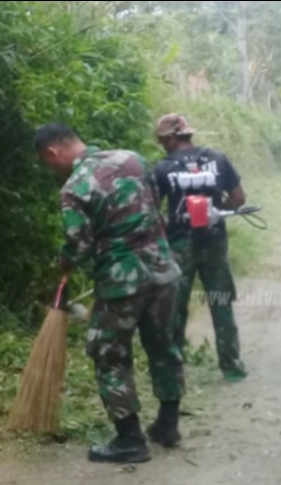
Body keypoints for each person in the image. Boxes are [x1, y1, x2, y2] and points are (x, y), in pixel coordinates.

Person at [34, 123, 186, 463]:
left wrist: (65, 264)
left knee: (109, 354)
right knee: (164, 346)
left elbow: (79, 243)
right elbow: (154, 206)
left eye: (48, 163)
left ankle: (130, 439)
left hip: (122, 282)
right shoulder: (133, 159)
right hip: (164, 272)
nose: (51, 169)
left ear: (52, 152)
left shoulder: (74, 188)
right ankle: (167, 425)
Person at [151, 114, 249, 384]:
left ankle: (174, 370)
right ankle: (231, 367)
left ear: (170, 139)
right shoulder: (217, 158)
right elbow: (239, 198)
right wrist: (217, 211)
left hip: (180, 244)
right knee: (221, 304)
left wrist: (167, 226)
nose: (162, 146)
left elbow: (151, 209)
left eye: (162, 141)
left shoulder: (162, 169)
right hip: (215, 241)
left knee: (176, 307)